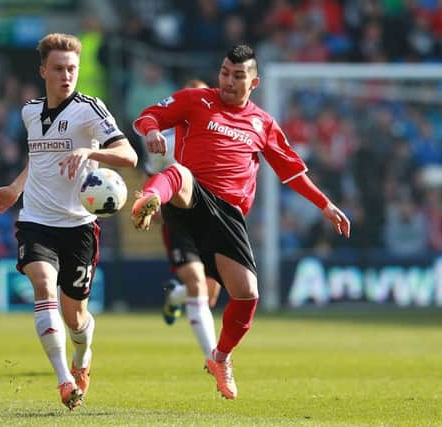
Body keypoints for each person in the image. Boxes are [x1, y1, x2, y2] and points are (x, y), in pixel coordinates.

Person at [130, 44, 350, 400]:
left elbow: (291, 172)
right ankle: (149, 198)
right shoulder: (196, 100)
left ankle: (220, 357)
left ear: (254, 82)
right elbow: (147, 116)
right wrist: (153, 131)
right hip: (190, 197)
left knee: (247, 295)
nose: (228, 81)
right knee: (180, 173)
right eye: (224, 73)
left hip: (228, 215)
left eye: (237, 76)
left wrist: (325, 204)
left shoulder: (262, 122)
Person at [0, 33, 137, 410]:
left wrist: (88, 149)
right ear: (43, 71)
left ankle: (82, 359)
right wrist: (17, 189)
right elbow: (38, 159)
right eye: (58, 69)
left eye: (72, 68)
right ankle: (64, 381)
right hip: (36, 219)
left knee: (77, 318)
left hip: (79, 226)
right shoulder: (30, 112)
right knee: (42, 285)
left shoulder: (90, 109)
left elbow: (129, 154)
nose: (66, 75)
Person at [146, 78, 222, 371]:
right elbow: (151, 177)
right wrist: (150, 204)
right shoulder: (165, 141)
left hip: (213, 221)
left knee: (209, 293)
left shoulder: (219, 133)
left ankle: (174, 296)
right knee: (196, 282)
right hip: (180, 221)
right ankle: (213, 358)